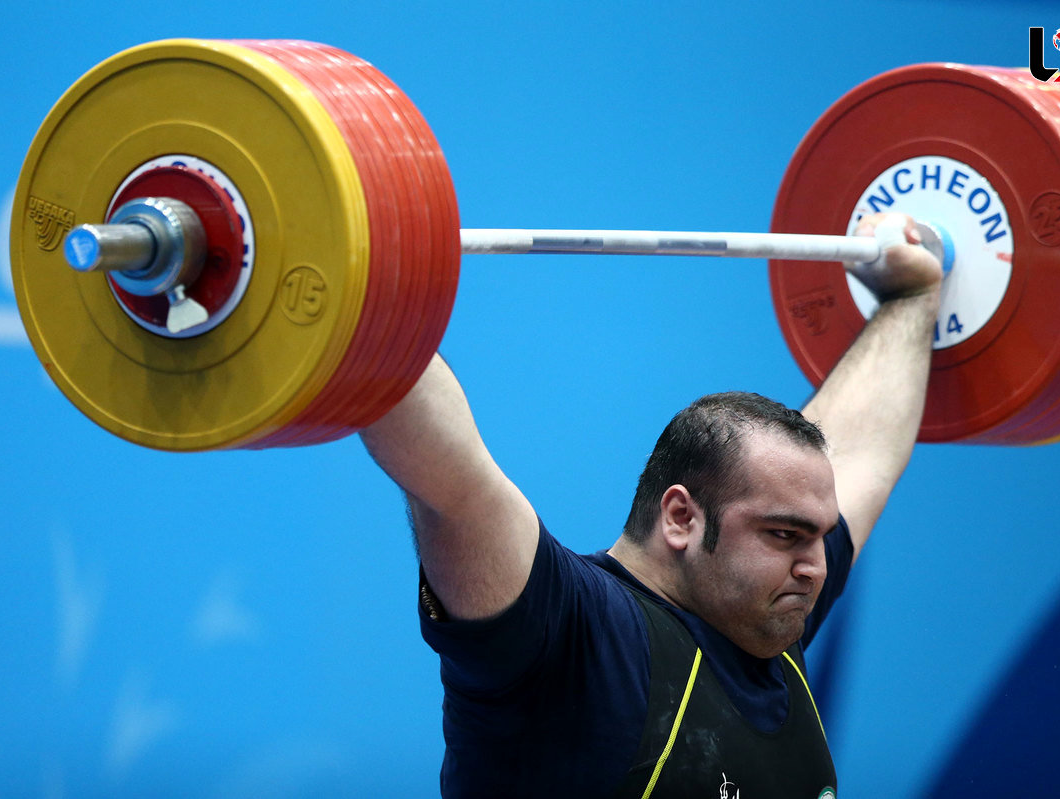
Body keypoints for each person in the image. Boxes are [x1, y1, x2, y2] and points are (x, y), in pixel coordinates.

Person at [361, 213, 943, 798]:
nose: (817, 564)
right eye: (784, 535)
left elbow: (863, 448)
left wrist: (913, 297)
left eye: (820, 536)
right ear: (682, 518)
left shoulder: (764, 618)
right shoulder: (577, 638)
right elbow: (454, 488)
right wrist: (359, 292)